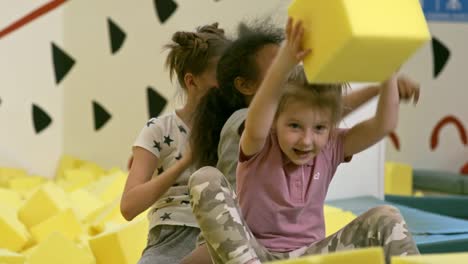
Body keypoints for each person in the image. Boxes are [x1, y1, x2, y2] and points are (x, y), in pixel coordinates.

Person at [188, 18, 420, 264]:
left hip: (309, 257)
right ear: (276, 119)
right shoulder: (260, 142)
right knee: (204, 179)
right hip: (254, 254)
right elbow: (261, 113)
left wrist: (388, 76)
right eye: (294, 126)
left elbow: (382, 125)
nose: (307, 140)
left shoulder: (331, 146)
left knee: (387, 217)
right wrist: (286, 60)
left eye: (319, 128)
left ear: (330, 126)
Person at [120, 23, 230, 264]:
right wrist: (186, 161)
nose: (229, 85)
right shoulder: (159, 130)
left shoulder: (235, 127)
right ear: (192, 82)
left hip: (224, 235)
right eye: (221, 77)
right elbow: (128, 206)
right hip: (170, 238)